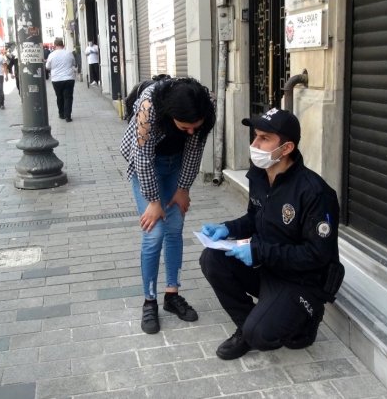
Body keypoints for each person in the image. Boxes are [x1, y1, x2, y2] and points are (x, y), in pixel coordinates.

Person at [199, 108, 344, 360]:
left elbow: (316, 255)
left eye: (264, 138)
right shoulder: (260, 175)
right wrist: (227, 228)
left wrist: (259, 251)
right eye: (255, 136)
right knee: (212, 258)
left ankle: (306, 318)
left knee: (262, 335)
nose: (254, 144)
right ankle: (246, 327)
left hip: (301, 280)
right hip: (268, 266)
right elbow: (256, 217)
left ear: (286, 148)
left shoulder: (315, 192)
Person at [120, 77, 216, 334]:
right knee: (154, 233)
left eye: (195, 127)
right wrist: (154, 201)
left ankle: (172, 295)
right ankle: (149, 300)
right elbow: (142, 157)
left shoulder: (205, 107)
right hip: (146, 164)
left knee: (174, 228)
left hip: (177, 165)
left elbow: (194, 151)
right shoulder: (149, 106)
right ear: (170, 114)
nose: (191, 132)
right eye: (185, 127)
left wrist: (183, 189)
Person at [46, 38, 76, 122]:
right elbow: (73, 63)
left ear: (55, 45)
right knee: (68, 97)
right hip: (69, 78)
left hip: (56, 79)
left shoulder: (51, 55)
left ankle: (61, 114)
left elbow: (47, 67)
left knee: (59, 97)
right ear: (63, 45)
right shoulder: (69, 53)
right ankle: (68, 116)